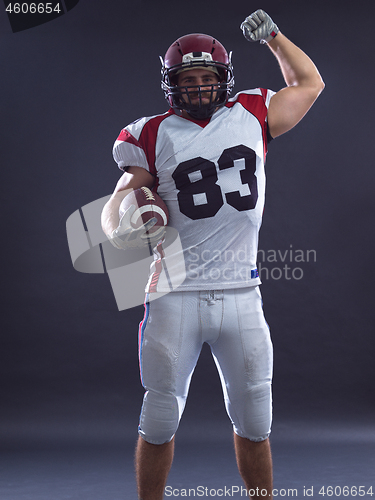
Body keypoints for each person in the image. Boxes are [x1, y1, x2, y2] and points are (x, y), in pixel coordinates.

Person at [101, 9, 324, 499]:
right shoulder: (152, 133)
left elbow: (309, 83)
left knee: (256, 419)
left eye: (207, 77)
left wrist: (275, 39)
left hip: (243, 293)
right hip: (174, 294)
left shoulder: (253, 111)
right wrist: (123, 226)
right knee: (159, 417)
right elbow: (116, 202)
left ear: (224, 79)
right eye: (188, 78)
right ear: (171, 83)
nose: (199, 86)